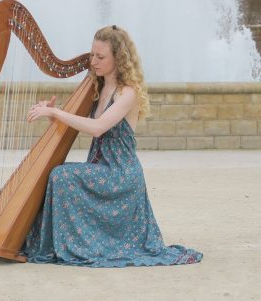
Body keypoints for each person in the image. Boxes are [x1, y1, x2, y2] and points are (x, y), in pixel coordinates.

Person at [22, 24, 203, 267]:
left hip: (120, 175)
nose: (93, 61)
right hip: (101, 168)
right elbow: (82, 122)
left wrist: (56, 112)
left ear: (118, 58)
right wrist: (55, 115)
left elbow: (98, 127)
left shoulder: (127, 93)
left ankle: (73, 246)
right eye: (92, 55)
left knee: (61, 176)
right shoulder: (98, 87)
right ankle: (60, 244)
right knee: (55, 173)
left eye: (100, 57)